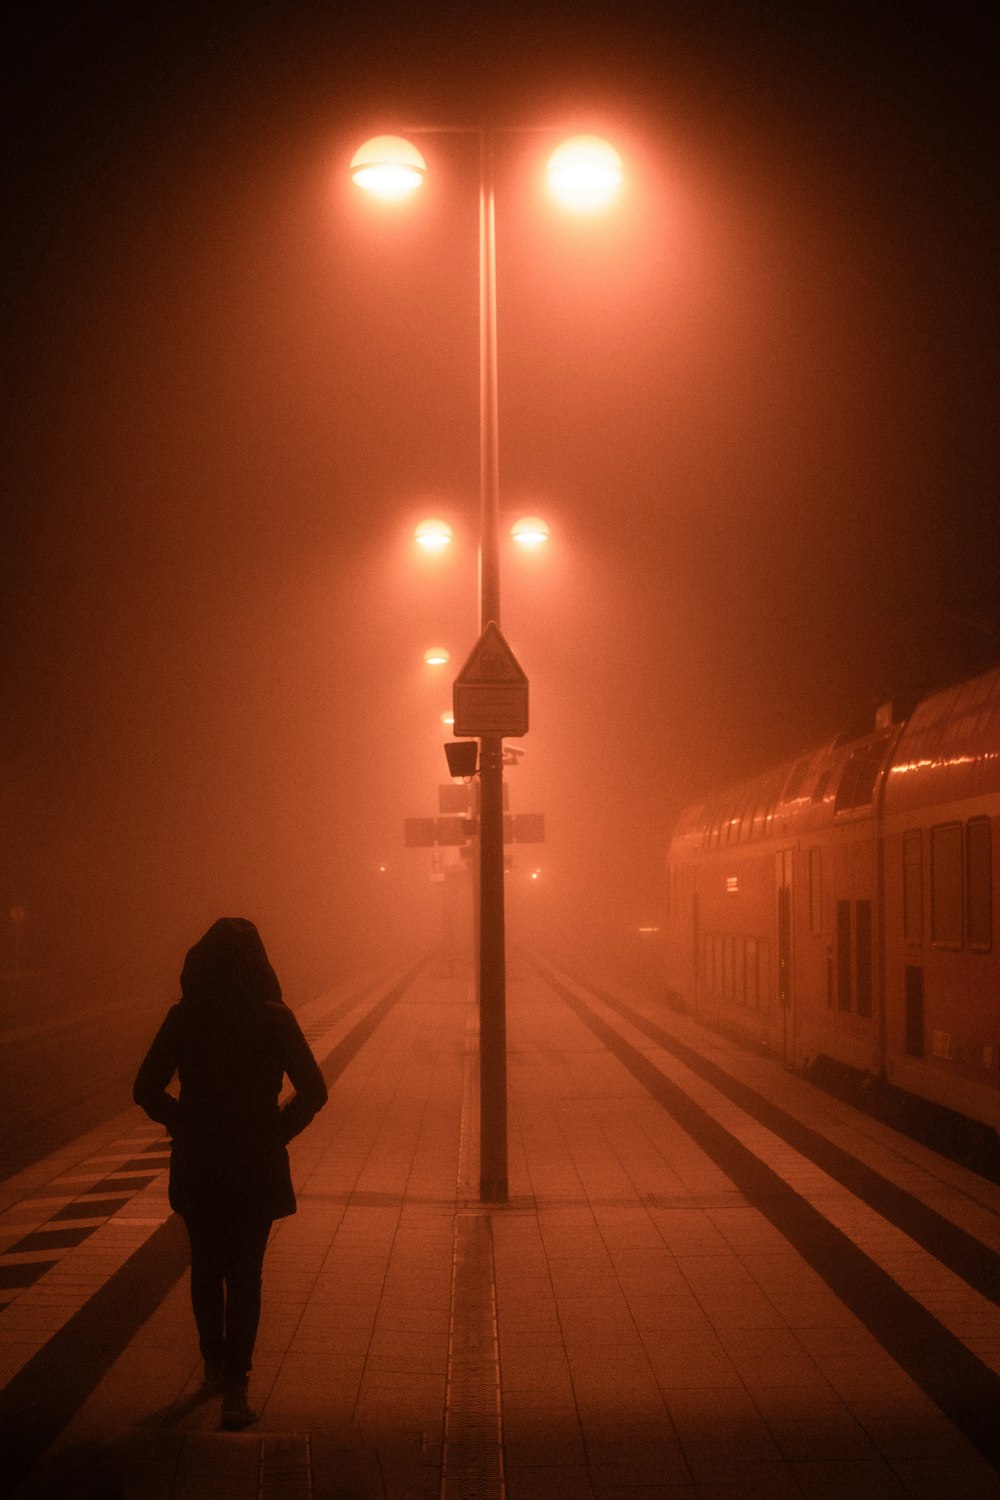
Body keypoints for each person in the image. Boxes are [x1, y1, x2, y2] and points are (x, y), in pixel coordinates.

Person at [133, 917, 328, 1428]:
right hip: (255, 1162)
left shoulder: (185, 1017)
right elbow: (314, 1090)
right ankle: (236, 1386)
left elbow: (146, 1088)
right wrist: (276, 1131)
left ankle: (214, 1367)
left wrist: (187, 1124)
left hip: (201, 1162)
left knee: (206, 1267)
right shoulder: (275, 1018)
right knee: (247, 1275)